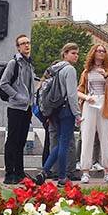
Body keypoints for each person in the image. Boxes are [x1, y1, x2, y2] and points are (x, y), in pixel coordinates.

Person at [0, 34, 36, 185]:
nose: (26, 45)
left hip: (27, 108)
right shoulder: (14, 63)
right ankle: (9, 173)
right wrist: (18, 96)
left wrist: (31, 100)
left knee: (21, 141)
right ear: (18, 47)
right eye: (23, 43)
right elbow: (3, 83)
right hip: (15, 107)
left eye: (28, 43)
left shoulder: (29, 64)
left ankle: (19, 172)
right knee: (12, 140)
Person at [76, 44, 108, 184]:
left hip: (105, 105)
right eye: (98, 50)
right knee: (87, 138)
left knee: (106, 138)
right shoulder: (86, 71)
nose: (101, 53)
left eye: (103, 51)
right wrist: (87, 98)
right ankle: (85, 171)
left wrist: (105, 76)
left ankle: (107, 171)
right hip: (90, 104)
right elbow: (79, 90)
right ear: (93, 53)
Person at [42, 43, 81, 181]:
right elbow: (71, 94)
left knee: (59, 144)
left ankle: (45, 171)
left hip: (55, 110)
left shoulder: (54, 69)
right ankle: (62, 177)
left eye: (77, 53)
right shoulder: (69, 69)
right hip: (66, 109)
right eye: (73, 53)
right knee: (64, 143)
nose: (76, 56)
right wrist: (77, 113)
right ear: (64, 54)